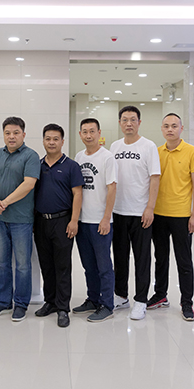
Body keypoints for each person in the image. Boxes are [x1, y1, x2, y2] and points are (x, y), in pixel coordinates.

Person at [0, 116, 40, 322]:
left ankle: (21, 304)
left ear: (23, 134)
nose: (11, 136)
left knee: (23, 264)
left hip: (22, 220)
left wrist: (4, 202)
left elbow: (29, 184)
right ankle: (3, 301)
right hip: (0, 219)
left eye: (16, 133)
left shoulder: (31, 156)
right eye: (7, 133)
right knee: (0, 262)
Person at [149, 113, 194, 321]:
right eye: (166, 126)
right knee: (160, 258)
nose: (170, 129)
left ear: (181, 128)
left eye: (174, 126)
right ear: (162, 129)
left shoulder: (192, 152)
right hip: (158, 215)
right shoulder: (156, 152)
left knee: (184, 260)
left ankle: (187, 302)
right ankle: (160, 295)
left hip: (181, 216)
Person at [110, 105, 161, 321]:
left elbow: (155, 178)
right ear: (119, 123)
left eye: (133, 119)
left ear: (139, 122)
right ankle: (121, 296)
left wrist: (150, 207)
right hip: (118, 211)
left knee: (142, 259)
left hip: (141, 213)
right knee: (120, 257)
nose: (129, 123)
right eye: (125, 120)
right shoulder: (114, 146)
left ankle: (140, 300)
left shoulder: (149, 146)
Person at [33, 124, 84, 328]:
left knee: (62, 266)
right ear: (43, 141)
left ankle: (63, 308)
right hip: (40, 221)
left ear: (62, 141)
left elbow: (78, 194)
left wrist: (74, 220)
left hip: (63, 221)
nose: (51, 142)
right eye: (48, 138)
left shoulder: (71, 166)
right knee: (46, 265)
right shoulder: (37, 165)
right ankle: (50, 302)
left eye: (55, 139)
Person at [73, 118, 117, 323]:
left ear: (99, 133)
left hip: (100, 221)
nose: (88, 135)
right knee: (88, 265)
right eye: (85, 131)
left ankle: (107, 304)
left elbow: (112, 188)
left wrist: (106, 218)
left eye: (92, 131)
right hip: (83, 221)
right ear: (80, 134)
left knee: (104, 266)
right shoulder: (79, 157)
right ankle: (92, 299)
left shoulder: (107, 157)